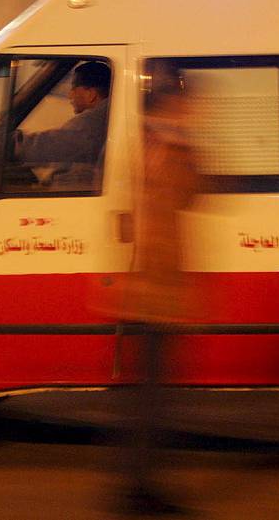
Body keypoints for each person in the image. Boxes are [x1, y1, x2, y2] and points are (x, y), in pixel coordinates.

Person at [110, 66, 202, 516]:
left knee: (149, 400)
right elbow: (187, 198)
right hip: (154, 296)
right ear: (171, 106)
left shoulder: (155, 146)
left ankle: (136, 487)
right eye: (186, 106)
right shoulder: (163, 150)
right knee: (151, 402)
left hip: (151, 293)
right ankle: (138, 490)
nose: (193, 113)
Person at [12, 61, 110, 185]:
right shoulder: (106, 116)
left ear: (90, 94)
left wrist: (9, 145)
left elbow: (49, 145)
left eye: (73, 88)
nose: (70, 95)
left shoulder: (92, 122)